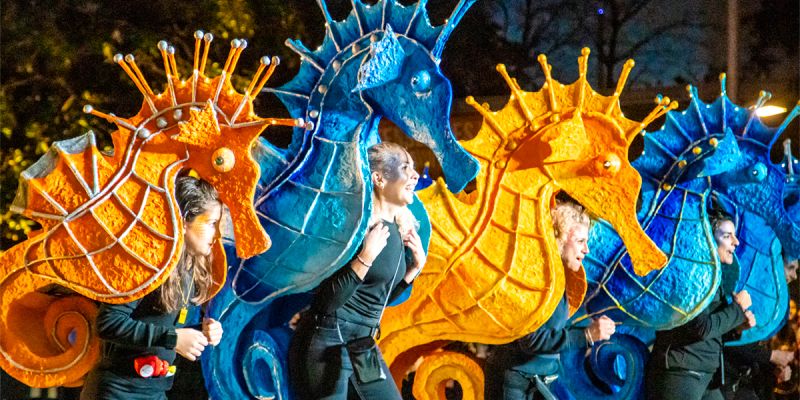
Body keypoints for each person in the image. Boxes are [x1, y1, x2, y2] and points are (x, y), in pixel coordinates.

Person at [288, 142, 426, 400]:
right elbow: (325, 304)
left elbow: (375, 300)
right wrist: (365, 257)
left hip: (362, 345)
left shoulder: (398, 229)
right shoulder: (352, 227)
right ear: (379, 179)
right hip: (325, 341)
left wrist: (413, 270)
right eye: (405, 167)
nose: (415, 175)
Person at [80, 176, 225, 400]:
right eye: (211, 223)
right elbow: (108, 323)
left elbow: (162, 325)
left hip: (154, 392)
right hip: (117, 392)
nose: (217, 234)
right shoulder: (145, 265)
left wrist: (201, 332)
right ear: (184, 221)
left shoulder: (190, 271)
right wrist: (173, 338)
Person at [484, 193, 617, 400]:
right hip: (514, 381)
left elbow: (551, 331)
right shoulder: (535, 277)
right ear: (559, 239)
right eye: (580, 241)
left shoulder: (556, 278)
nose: (586, 249)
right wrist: (586, 335)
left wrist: (589, 331)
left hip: (537, 380)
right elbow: (531, 340)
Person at [646, 208, 755, 400]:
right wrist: (737, 309)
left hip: (704, 376)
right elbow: (701, 328)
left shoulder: (709, 277)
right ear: (708, 239)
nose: (736, 242)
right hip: (681, 374)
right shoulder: (691, 277)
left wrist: (736, 327)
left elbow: (707, 332)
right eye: (727, 236)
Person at [721, 254, 798, 400]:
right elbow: (731, 340)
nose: (795, 275)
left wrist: (773, 370)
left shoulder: (772, 307)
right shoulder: (749, 291)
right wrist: (772, 356)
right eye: (791, 268)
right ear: (775, 266)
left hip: (741, 380)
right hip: (723, 379)